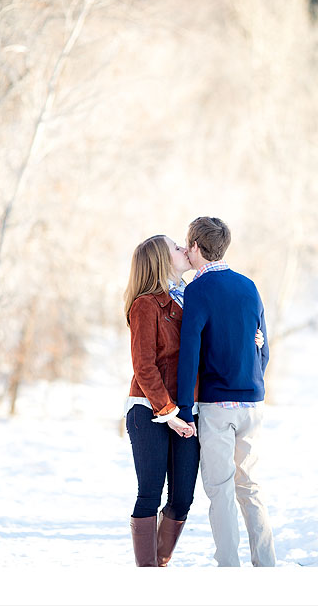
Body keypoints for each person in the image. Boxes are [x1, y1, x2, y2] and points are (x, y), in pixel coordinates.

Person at [175, 216, 276, 567]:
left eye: (188, 245)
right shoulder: (249, 286)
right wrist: (251, 380)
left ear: (196, 247)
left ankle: (229, 571)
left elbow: (188, 354)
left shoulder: (197, 290)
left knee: (220, 491)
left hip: (217, 407)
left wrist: (185, 408)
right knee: (251, 488)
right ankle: (266, 565)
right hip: (252, 403)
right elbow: (263, 348)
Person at [122, 234, 200, 567]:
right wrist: (167, 413)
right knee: (150, 494)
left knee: (182, 497)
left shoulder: (192, 298)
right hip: (148, 410)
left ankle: (159, 563)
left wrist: (249, 338)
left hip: (186, 410)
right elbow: (144, 364)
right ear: (160, 260)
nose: (185, 249)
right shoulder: (146, 304)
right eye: (176, 247)